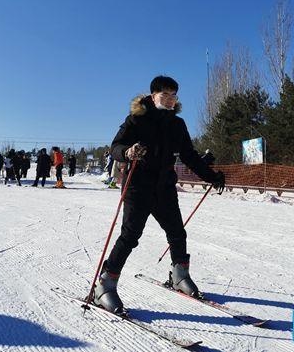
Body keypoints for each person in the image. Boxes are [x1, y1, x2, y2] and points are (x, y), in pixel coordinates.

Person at [93, 75, 225, 314]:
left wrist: (211, 176)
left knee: (177, 232)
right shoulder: (136, 119)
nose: (171, 99)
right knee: (130, 236)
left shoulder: (177, 125)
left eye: (174, 95)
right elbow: (115, 147)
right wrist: (128, 152)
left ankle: (179, 276)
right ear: (153, 96)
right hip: (137, 186)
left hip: (164, 187)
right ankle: (105, 285)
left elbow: (190, 156)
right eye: (165, 95)